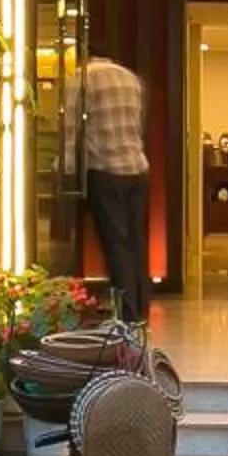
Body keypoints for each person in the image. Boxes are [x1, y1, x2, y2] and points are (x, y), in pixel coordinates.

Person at [66, 51, 152, 324]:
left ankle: (126, 313)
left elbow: (71, 131)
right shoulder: (131, 79)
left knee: (117, 245)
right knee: (136, 242)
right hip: (138, 169)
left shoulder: (80, 79)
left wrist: (66, 168)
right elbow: (138, 127)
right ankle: (140, 308)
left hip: (105, 171)